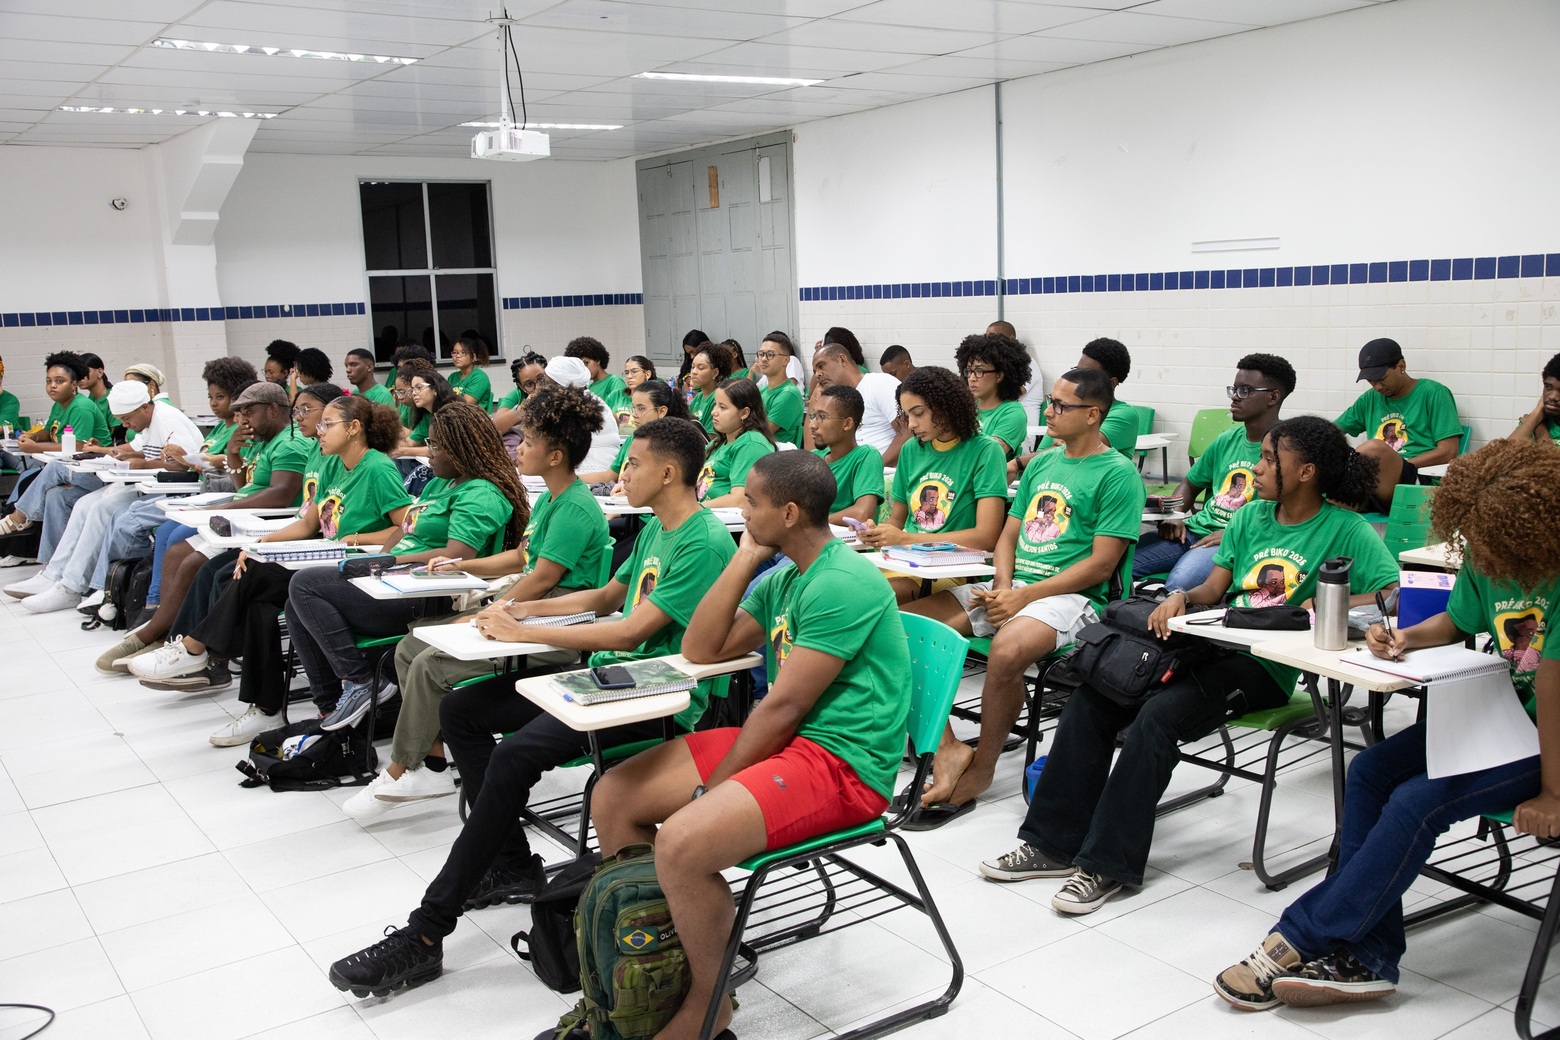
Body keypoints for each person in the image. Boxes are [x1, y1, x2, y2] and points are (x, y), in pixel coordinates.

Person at [326, 417, 735, 1000]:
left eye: (634, 464)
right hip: (611, 678)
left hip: (659, 694)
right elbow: (606, 597)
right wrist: (521, 612)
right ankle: (512, 863)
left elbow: (632, 629)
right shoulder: (655, 530)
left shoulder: (703, 540)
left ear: (669, 473)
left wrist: (524, 633)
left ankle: (427, 930)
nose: (622, 474)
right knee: (461, 711)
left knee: (515, 756)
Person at [981, 415, 1399, 916]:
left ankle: (1106, 864)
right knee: (1093, 697)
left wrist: (1323, 605)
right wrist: (1181, 597)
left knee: (1156, 719)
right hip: (1211, 645)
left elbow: (1392, 591)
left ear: (1306, 472)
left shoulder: (1346, 529)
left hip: (1264, 668)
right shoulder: (1250, 516)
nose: (1257, 468)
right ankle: (1051, 844)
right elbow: (1213, 590)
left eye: (1270, 460)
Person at [1215, 437, 1560, 1012]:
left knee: (1415, 801)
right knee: (1370, 771)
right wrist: (1403, 636)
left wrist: (1553, 793)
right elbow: (1457, 620)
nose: (1482, 552)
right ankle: (1369, 957)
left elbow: (1553, 688)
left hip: (1550, 739)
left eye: (1493, 541)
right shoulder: (1491, 556)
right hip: (1506, 721)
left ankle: (1301, 937)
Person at [590, 449, 910, 1040]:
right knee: (614, 796)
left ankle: (709, 1003)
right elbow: (701, 648)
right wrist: (744, 558)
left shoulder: (842, 582)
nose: (741, 509)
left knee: (681, 843)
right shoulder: (785, 575)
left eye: (751, 503)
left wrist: (712, 792)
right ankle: (661, 966)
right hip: (791, 742)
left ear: (788, 513)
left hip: (842, 763)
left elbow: (784, 708)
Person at [340, 388, 611, 818]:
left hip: (555, 618)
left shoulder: (575, 507)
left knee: (431, 664)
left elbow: (543, 578)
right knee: (411, 647)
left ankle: (399, 768)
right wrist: (460, 565)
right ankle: (432, 763)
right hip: (527, 601)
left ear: (556, 456)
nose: (518, 448)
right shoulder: (551, 498)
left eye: (529, 442)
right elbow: (522, 558)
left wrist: (487, 613)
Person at [901, 367, 1145, 825]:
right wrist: (1004, 586)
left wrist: (1025, 596)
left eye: (1061, 406)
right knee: (904, 629)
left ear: (1093, 415)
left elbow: (1100, 566)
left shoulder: (1118, 474)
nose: (1048, 412)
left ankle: (983, 769)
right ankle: (948, 748)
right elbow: (1008, 537)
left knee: (1008, 649)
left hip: (1075, 598)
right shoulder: (1044, 463)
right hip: (1015, 586)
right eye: (1050, 402)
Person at [129, 394, 413, 746]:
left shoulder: (377, 468)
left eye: (328, 424)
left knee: (256, 576)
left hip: (352, 565)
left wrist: (354, 539)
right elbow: (307, 523)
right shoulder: (332, 464)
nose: (320, 431)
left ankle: (195, 648)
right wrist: (260, 545)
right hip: (320, 558)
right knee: (257, 600)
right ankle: (266, 707)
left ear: (354, 428)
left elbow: (404, 527)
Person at [286, 400, 522, 723]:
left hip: (428, 594)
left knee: (305, 585)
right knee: (295, 603)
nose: (429, 454)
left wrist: (391, 561)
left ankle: (361, 681)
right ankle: (331, 707)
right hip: (397, 579)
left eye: (436, 446)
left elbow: (456, 556)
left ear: (461, 448)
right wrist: (380, 560)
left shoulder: (482, 493)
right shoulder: (440, 483)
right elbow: (404, 528)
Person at [92, 381, 323, 673]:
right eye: (241, 413)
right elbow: (245, 487)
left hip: (261, 524)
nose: (243, 419)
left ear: (274, 409)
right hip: (242, 517)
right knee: (176, 552)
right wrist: (234, 454)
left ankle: (163, 638)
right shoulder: (263, 441)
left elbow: (281, 495)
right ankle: (165, 634)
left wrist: (220, 510)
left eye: (249, 412)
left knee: (194, 564)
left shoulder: (290, 443)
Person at [4, 381, 204, 613]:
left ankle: (75, 587)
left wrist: (143, 464)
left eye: (126, 419)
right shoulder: (149, 420)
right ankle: (54, 575)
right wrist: (111, 452)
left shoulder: (168, 419)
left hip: (174, 490)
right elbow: (140, 449)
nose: (124, 425)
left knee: (102, 509)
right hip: (150, 485)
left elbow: (184, 465)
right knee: (84, 504)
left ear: (144, 408)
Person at [1134, 353, 1295, 589]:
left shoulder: (1288, 449)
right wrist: (1176, 514)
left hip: (1234, 540)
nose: (1235, 397)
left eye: (1245, 391)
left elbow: (1293, 515)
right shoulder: (1226, 440)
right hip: (1193, 530)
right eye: (1234, 389)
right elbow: (1190, 483)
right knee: (1122, 562)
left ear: (1273, 397)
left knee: (1181, 582)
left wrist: (1234, 535)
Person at [858, 366, 1008, 602]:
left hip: (951, 571)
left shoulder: (986, 451)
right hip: (904, 562)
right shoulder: (911, 450)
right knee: (842, 585)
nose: (911, 424)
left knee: (867, 596)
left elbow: (986, 537)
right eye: (907, 415)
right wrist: (878, 532)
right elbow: (897, 520)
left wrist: (905, 540)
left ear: (945, 406)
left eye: (918, 413)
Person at [1335, 337, 1461, 510]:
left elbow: (1448, 452)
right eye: (1371, 381)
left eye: (1381, 378)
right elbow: (1330, 432)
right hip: (1376, 480)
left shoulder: (1434, 393)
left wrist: (1398, 466)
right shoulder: (1370, 399)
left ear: (1401, 366)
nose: (1377, 387)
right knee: (1320, 494)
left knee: (1374, 449)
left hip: (1417, 479)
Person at [1018, 337, 1138, 469]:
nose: (1078, 378)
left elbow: (1079, 450)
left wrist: (1017, 464)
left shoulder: (1124, 414)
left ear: (1112, 383)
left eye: (1089, 375)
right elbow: (1042, 455)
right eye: (1077, 371)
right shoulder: (1065, 408)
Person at [579, 378, 691, 487]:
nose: (634, 414)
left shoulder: (672, 444)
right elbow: (610, 475)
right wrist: (573, 478)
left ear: (661, 411)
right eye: (634, 408)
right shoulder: (634, 437)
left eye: (641, 409)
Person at [810, 342, 909, 463]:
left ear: (842, 359)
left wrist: (873, 468)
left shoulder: (879, 383)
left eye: (821, 366)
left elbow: (908, 432)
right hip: (847, 468)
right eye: (814, 371)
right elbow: (814, 442)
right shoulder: (836, 400)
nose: (817, 374)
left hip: (883, 471)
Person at [808, 385, 884, 526]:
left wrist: (814, 524)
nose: (812, 425)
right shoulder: (813, 458)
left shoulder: (865, 456)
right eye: (813, 416)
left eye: (822, 417)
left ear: (847, 424)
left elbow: (863, 514)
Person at [697, 378, 777, 508]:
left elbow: (740, 500)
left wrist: (693, 510)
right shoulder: (720, 441)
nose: (714, 412)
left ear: (744, 413)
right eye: (715, 405)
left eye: (722, 407)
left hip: (726, 518)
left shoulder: (750, 444)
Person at [957, 331, 1032, 462]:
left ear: (1000, 376)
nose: (971, 378)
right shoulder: (964, 405)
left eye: (979, 371)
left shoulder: (1013, 413)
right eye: (969, 371)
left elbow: (988, 454)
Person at [541, 355, 622, 476]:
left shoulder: (570, 408)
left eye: (546, 383)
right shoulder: (593, 399)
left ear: (560, 386)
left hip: (592, 472)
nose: (543, 388)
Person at [748, 332, 804, 446]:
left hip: (775, 453)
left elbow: (762, 432)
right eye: (761, 354)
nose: (764, 359)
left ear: (785, 360)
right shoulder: (763, 390)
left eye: (770, 354)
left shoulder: (788, 394)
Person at [989, 320, 1047, 425]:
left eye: (993, 337)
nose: (988, 342)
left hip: (1024, 428)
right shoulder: (995, 363)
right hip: (1000, 421)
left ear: (1011, 339)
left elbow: (1015, 392)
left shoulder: (1028, 363)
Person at [393, 367, 456, 458]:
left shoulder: (452, 414)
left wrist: (402, 451)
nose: (414, 393)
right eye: (412, 390)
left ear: (435, 389)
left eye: (419, 387)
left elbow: (442, 450)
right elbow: (410, 442)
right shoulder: (427, 415)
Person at [686, 341, 733, 434]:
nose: (694, 372)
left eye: (700, 368)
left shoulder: (718, 398)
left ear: (715, 373)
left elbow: (712, 436)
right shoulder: (698, 397)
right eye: (693, 367)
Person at [1513, 352, 1560, 443]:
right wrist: (1537, 412)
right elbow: (1504, 450)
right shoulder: (1533, 421)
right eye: (1548, 387)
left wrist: (1540, 430)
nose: (1553, 396)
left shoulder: (1536, 425)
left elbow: (1551, 453)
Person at [445, 335, 493, 412]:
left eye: (463, 352)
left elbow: (465, 405)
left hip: (472, 417)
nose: (457, 356)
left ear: (473, 357)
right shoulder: (452, 377)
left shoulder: (479, 377)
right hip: (453, 415)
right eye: (455, 352)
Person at [674, 328, 711, 392]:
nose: (691, 356)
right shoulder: (688, 365)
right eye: (689, 354)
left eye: (693, 352)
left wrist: (688, 391)